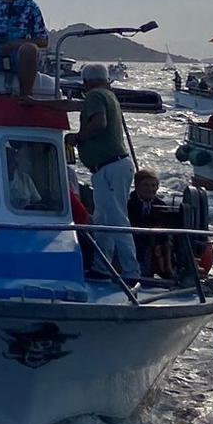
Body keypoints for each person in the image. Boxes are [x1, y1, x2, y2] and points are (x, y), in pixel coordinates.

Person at [73, 65, 137, 276]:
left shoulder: (94, 96)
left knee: (117, 220)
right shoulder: (107, 95)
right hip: (111, 167)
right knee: (103, 219)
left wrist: (78, 137)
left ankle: (130, 272)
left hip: (109, 167)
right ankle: (102, 267)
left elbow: (99, 122)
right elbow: (72, 105)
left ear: (86, 81)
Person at [124, 168, 175, 278]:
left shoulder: (161, 205)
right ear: (137, 186)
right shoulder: (127, 203)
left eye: (153, 185)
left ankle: (167, 268)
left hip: (156, 243)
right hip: (134, 241)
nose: (150, 189)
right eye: (146, 185)